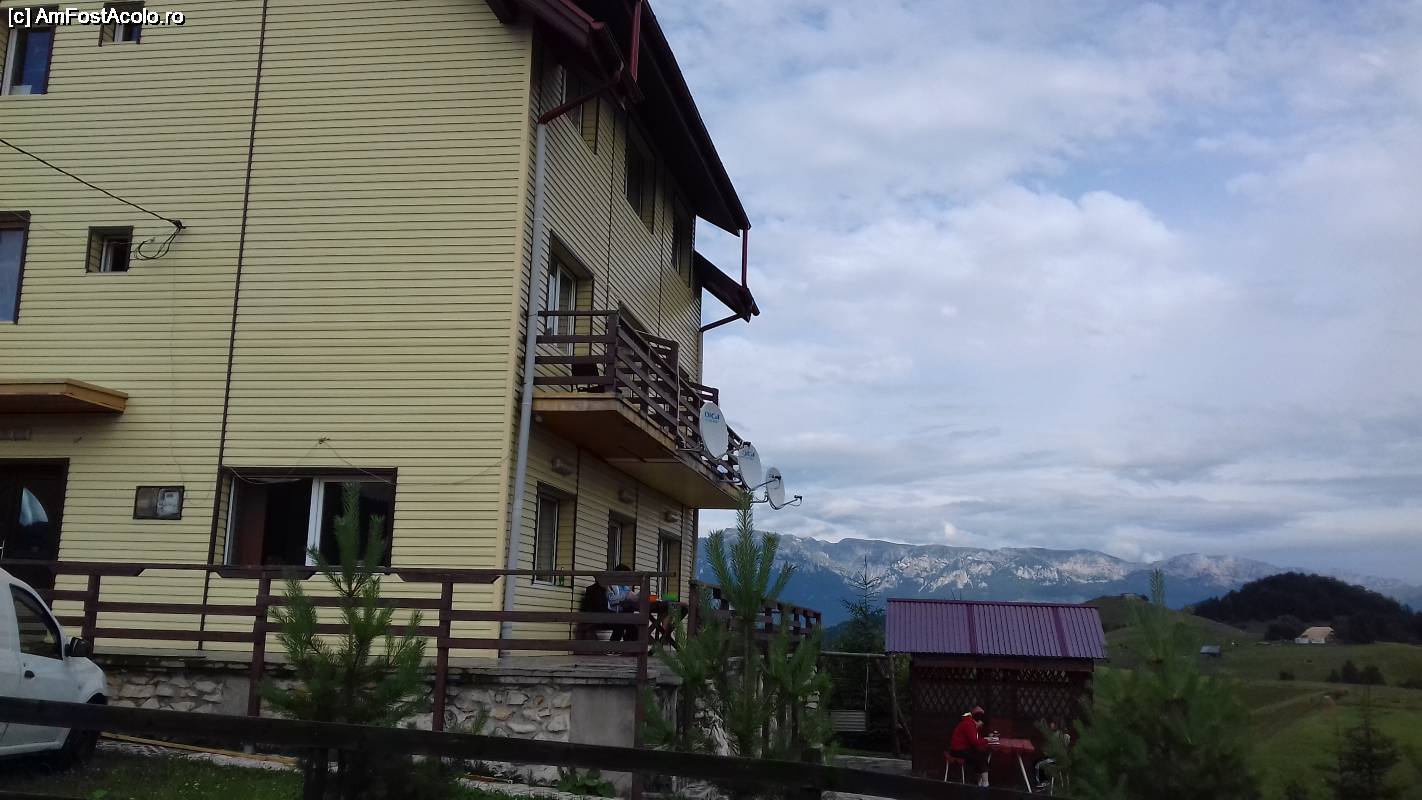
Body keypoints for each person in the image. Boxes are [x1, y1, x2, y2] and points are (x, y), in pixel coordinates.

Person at [949, 705, 991, 787]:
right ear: (979, 721)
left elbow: (974, 739)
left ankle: (980, 782)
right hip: (957, 750)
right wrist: (988, 740)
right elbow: (975, 741)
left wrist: (986, 739)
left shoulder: (969, 722)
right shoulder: (969, 724)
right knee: (981, 757)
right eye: (982, 724)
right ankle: (985, 783)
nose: (981, 726)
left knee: (979, 755)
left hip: (960, 749)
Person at [606, 564, 641, 642]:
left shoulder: (625, 587)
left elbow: (633, 596)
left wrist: (642, 595)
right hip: (612, 613)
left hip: (624, 614)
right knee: (623, 624)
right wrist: (625, 597)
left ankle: (628, 645)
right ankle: (614, 645)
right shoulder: (610, 586)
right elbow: (611, 599)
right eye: (626, 576)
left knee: (635, 627)